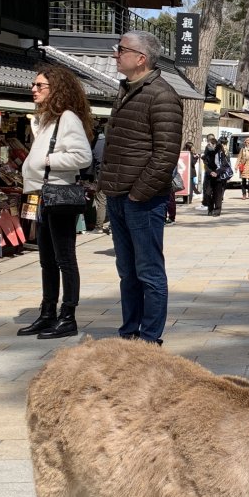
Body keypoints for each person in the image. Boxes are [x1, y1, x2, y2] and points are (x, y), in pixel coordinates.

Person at [98, 30, 184, 344]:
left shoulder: (161, 94)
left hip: (142, 199)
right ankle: (129, 332)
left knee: (149, 271)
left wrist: (138, 193)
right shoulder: (126, 89)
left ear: (141, 58)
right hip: (119, 195)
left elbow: (166, 154)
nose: (114, 54)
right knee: (127, 271)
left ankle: (149, 337)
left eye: (120, 49)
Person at [17, 66, 95, 340]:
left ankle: (68, 316)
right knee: (46, 259)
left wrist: (48, 161)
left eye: (40, 85)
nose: (34, 89)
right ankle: (48, 313)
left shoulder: (67, 119)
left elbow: (82, 156)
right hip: (43, 194)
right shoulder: (47, 120)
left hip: (59, 194)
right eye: (34, 84)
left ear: (56, 89)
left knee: (64, 259)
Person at [201, 134, 229, 217]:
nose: (211, 145)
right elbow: (205, 164)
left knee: (218, 194)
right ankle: (210, 209)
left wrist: (217, 172)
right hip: (209, 175)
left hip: (219, 176)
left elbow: (224, 164)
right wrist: (210, 172)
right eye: (209, 143)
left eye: (212, 144)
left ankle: (217, 210)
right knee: (208, 193)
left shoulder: (220, 153)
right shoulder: (207, 151)